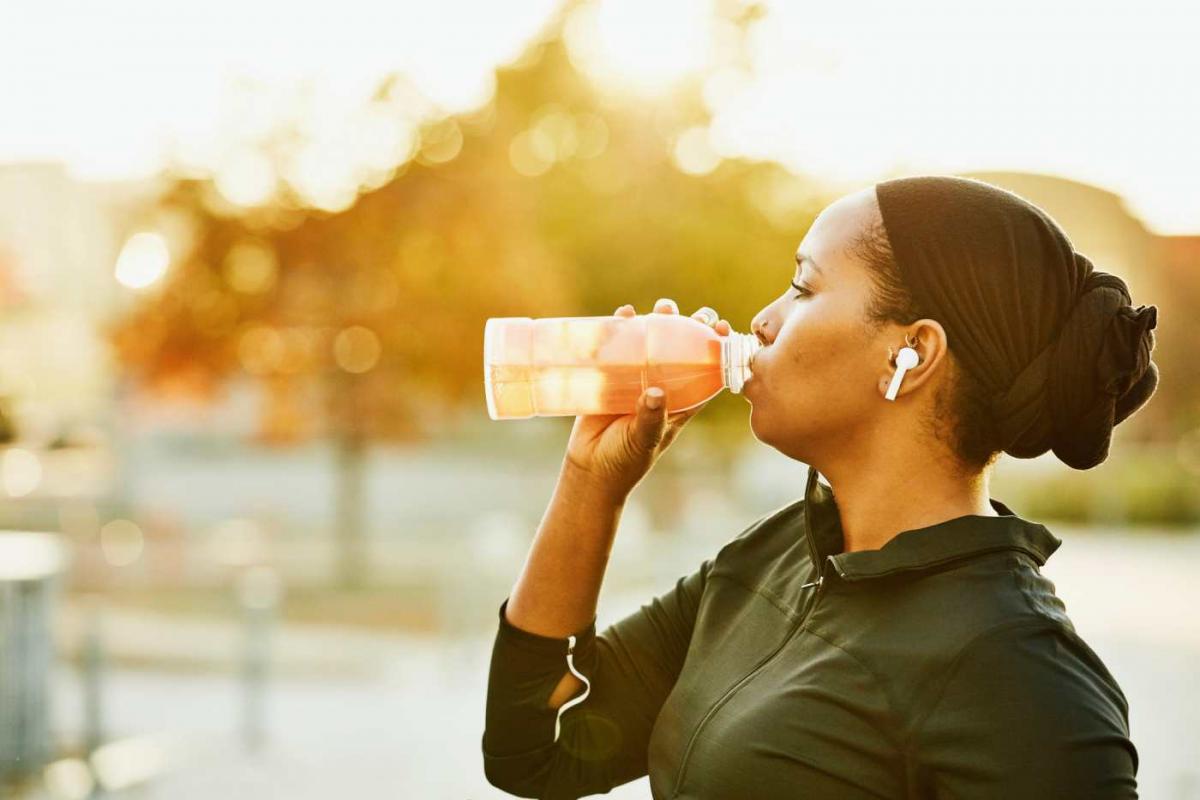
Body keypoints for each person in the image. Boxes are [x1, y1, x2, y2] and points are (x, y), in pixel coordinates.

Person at [481, 175, 1156, 799]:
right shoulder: (771, 559)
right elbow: (537, 750)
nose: (762, 320)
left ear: (910, 354)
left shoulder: (1021, 672)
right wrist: (592, 481)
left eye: (802, 288)